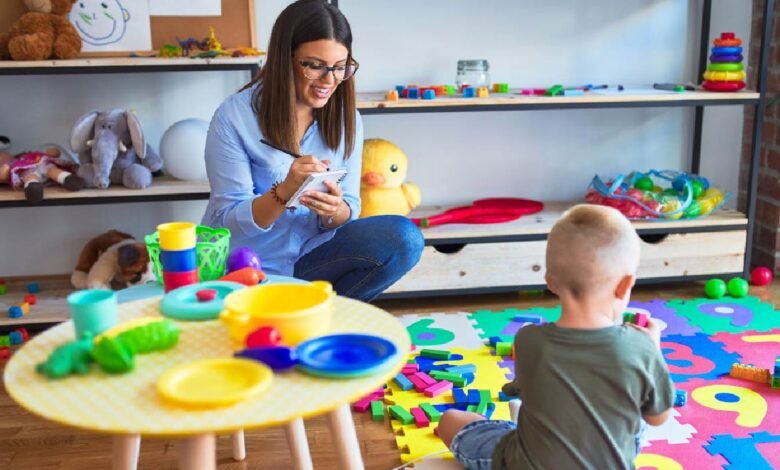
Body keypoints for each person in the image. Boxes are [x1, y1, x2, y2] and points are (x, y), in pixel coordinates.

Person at [202, 0, 423, 301]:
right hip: (248, 266)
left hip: (309, 260)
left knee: (404, 238)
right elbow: (230, 222)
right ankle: (303, 313)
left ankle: (320, 315)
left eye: (340, 67)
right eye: (315, 66)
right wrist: (284, 192)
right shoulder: (234, 117)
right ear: (285, 59)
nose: (329, 80)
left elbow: (350, 207)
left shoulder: (347, 118)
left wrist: (334, 211)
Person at [437, 204, 675, 469]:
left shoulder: (528, 340)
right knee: (634, 413)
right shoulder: (640, 347)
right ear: (625, 285)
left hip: (526, 463)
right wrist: (653, 351)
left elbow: (524, 392)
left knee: (451, 420)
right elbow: (658, 418)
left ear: (550, 281)